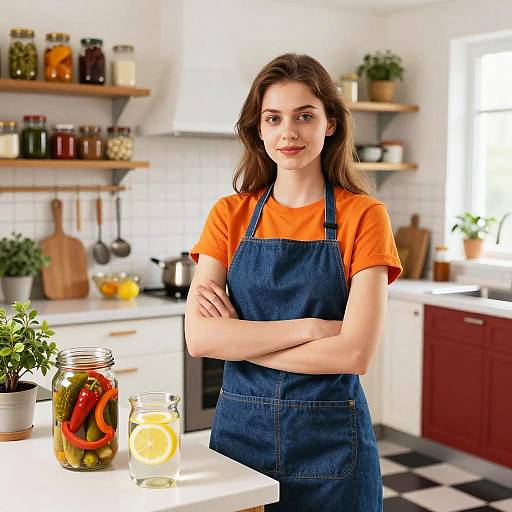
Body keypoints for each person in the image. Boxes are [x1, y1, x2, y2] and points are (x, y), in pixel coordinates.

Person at [185, 53, 402, 511]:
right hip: (238, 444)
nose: (289, 132)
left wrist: (241, 339)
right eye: (274, 118)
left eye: (304, 115)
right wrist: (311, 327)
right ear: (258, 129)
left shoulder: (364, 217)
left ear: (330, 124)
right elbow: (201, 338)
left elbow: (355, 353)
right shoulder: (230, 214)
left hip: (334, 449)